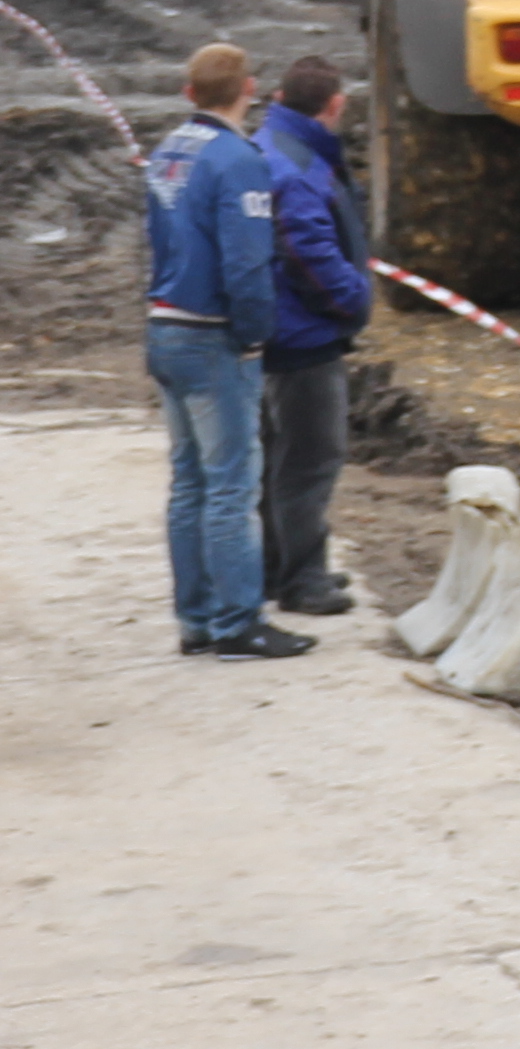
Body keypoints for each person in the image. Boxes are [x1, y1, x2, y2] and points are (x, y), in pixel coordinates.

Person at [141, 44, 306, 659]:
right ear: (249, 88)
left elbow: (155, 240)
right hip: (212, 335)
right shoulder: (239, 160)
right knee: (231, 485)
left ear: (189, 93)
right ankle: (237, 623)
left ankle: (197, 618)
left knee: (188, 483)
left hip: (166, 325)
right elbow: (247, 260)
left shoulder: (168, 153)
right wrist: (257, 332)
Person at [253, 55, 373, 618]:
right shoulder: (299, 166)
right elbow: (307, 249)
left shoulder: (273, 144)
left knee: (281, 456)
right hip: (304, 339)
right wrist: (351, 300)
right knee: (311, 459)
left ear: (279, 97)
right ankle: (303, 580)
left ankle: (278, 570)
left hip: (279, 331)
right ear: (335, 105)